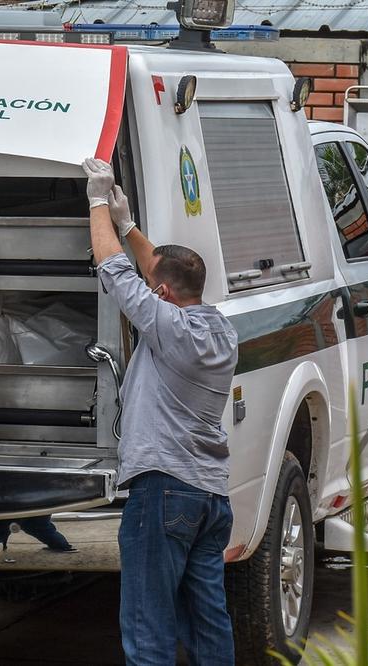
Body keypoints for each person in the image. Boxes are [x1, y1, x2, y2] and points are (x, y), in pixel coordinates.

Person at [82, 158, 239, 666]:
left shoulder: (170, 329)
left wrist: (97, 203)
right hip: (210, 495)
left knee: (148, 625)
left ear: (163, 296)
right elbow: (161, 272)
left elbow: (115, 270)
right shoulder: (220, 330)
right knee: (207, 622)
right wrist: (129, 225)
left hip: (164, 489)